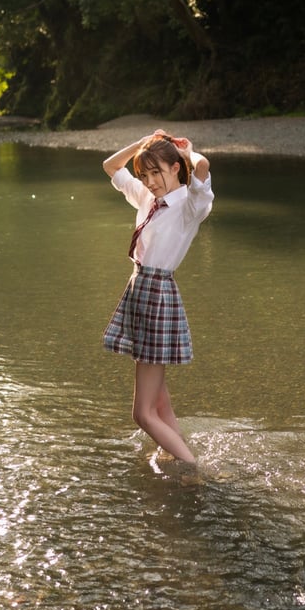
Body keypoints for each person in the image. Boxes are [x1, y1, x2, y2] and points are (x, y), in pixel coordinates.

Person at [102, 129, 213, 465]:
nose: (150, 182)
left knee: (142, 414)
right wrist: (144, 142)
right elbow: (110, 166)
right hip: (141, 291)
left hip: (157, 295)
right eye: (145, 174)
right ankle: (174, 451)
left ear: (176, 168)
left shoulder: (190, 206)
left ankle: (191, 467)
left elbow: (204, 166)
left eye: (157, 172)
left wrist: (187, 151)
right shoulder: (148, 199)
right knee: (160, 403)